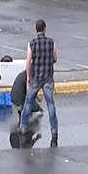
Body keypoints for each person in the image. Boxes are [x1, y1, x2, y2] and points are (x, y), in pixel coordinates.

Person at [19, 19, 59, 147]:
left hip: (36, 77)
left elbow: (29, 61)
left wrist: (28, 77)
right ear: (45, 28)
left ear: (36, 29)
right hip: (48, 77)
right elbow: (55, 58)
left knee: (28, 102)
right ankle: (54, 131)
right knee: (50, 104)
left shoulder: (32, 43)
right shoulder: (51, 42)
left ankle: (23, 127)